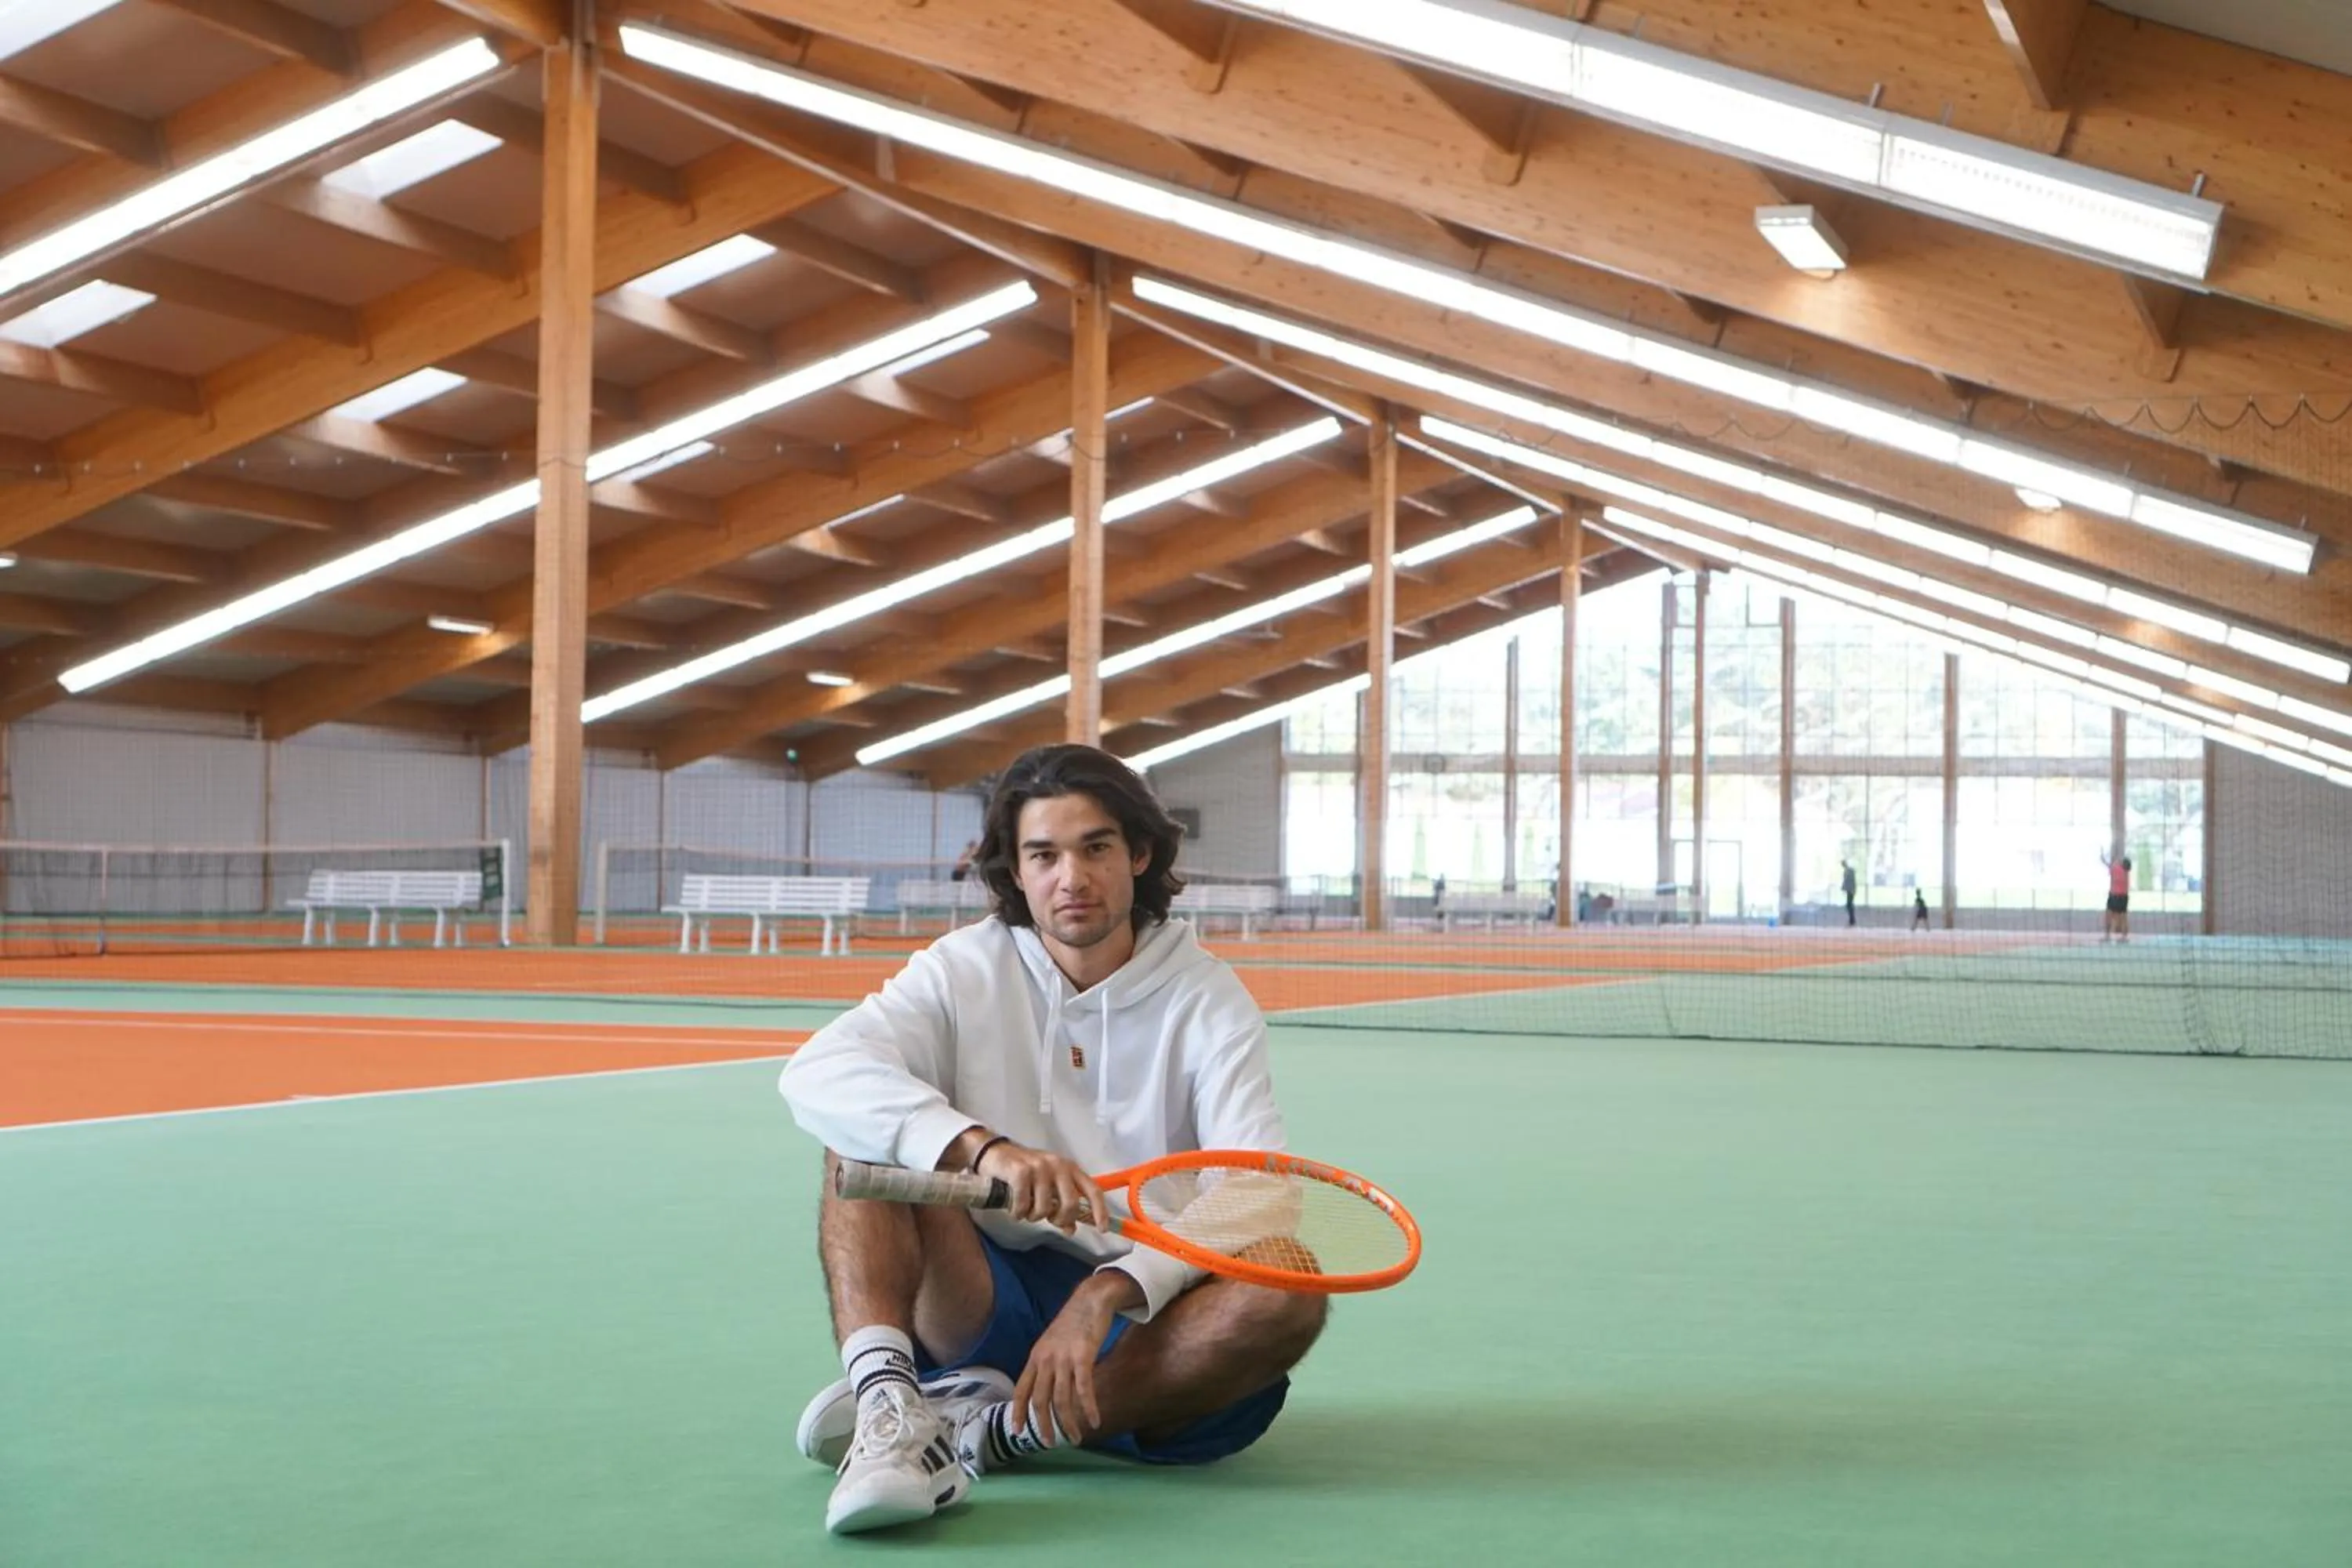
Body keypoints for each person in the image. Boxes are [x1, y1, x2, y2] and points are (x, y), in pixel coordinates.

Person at [778, 743, 1323, 1535]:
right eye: (1045, 854)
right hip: (980, 1293)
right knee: (861, 1143)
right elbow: (820, 1069)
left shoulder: (1208, 995)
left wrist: (1114, 1286)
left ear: (1139, 854)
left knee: (1290, 1282)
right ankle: (890, 1403)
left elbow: (1258, 1185)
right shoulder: (963, 967)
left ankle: (990, 1432)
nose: (1072, 876)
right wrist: (981, 1147)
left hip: (1139, 1325)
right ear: (1017, 869)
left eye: (1096, 847)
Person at [2102, 849, 2133, 943]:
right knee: (2123, 917)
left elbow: (2107, 863)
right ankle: (2124, 937)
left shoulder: (2116, 869)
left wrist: (2103, 856)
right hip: (2123, 897)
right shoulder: (2126, 872)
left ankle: (2107, 935)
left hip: (2115, 896)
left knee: (2109, 916)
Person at [1840, 859, 1858, 927]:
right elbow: (1846, 881)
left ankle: (1852, 921)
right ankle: (1852, 920)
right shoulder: (1848, 871)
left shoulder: (1849, 871)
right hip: (1850, 890)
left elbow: (1850, 881)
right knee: (1849, 905)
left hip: (1851, 890)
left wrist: (1845, 888)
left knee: (1849, 905)